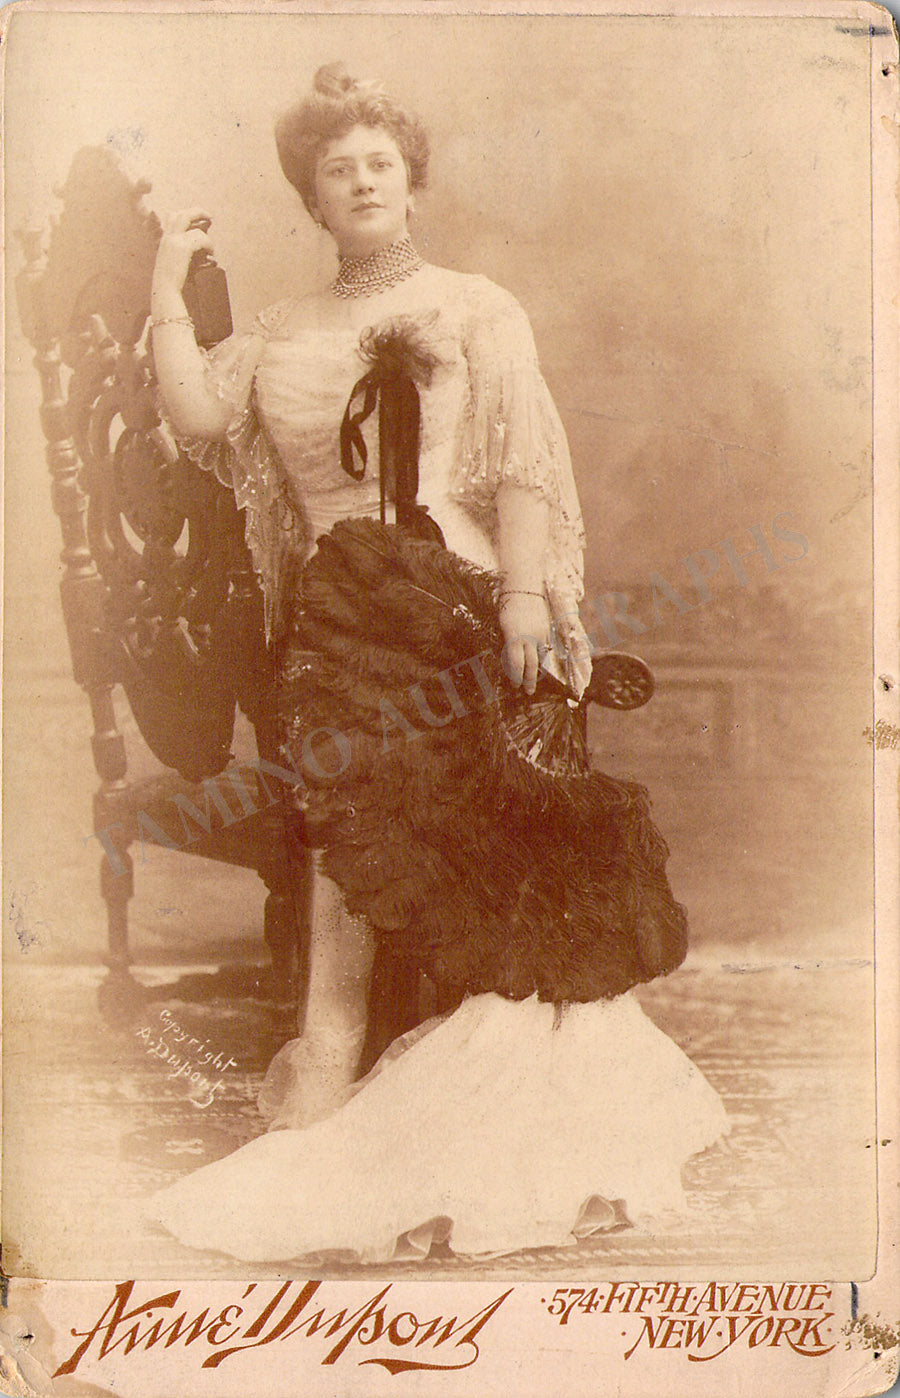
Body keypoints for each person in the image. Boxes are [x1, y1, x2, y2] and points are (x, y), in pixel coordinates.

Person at [147, 63, 728, 1262]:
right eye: (337, 170)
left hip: (463, 610)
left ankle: (476, 1103)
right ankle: (333, 1061)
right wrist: (165, 287)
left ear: (410, 184)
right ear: (313, 199)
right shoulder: (282, 331)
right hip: (339, 626)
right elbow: (200, 419)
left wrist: (521, 603)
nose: (361, 182)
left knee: (478, 841)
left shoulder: (475, 306)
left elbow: (521, 465)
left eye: (380, 164)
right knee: (355, 827)